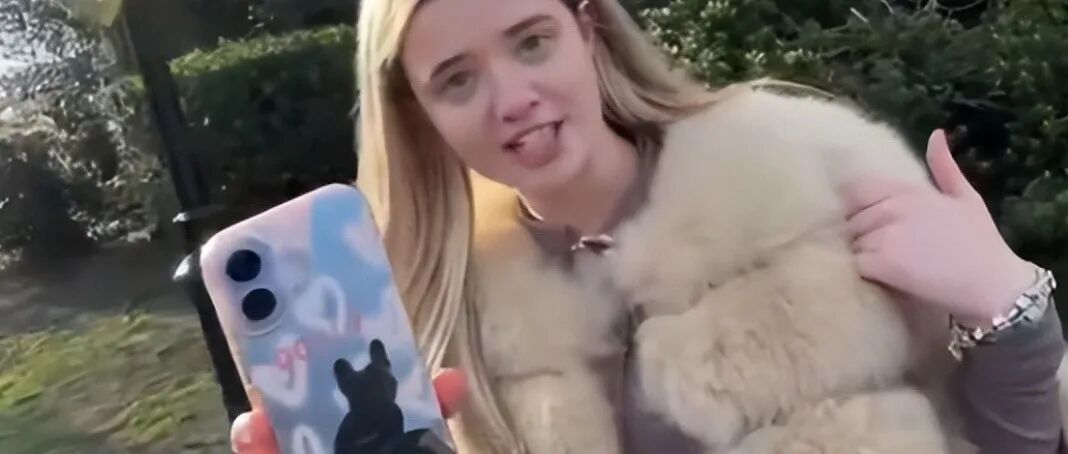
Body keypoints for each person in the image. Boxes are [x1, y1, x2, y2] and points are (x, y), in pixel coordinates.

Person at [231, 0, 1066, 452]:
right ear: (418, 116)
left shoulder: (806, 170)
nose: (513, 98)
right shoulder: (435, 325)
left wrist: (1010, 306)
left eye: (531, 42)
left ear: (587, 31)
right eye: (456, 80)